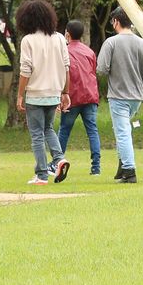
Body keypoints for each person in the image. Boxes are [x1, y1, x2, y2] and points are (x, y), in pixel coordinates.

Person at [15, 0, 71, 185]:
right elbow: (66, 67)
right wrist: (65, 93)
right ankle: (59, 159)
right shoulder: (60, 39)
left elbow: (26, 70)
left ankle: (41, 174)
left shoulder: (28, 40)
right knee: (48, 129)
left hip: (35, 93)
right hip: (54, 91)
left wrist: (20, 94)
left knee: (37, 134)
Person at [96, 7, 143, 183]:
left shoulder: (111, 43)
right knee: (123, 130)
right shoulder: (142, 43)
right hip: (137, 96)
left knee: (122, 132)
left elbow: (101, 69)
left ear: (116, 22)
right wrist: (142, 87)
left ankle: (129, 170)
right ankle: (122, 168)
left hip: (119, 95)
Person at [58, 20, 102, 176]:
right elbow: (93, 72)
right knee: (92, 130)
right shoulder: (89, 52)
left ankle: (58, 161)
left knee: (64, 130)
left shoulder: (64, 51)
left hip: (72, 96)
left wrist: (61, 95)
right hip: (90, 96)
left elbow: (62, 74)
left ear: (67, 34)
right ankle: (96, 167)